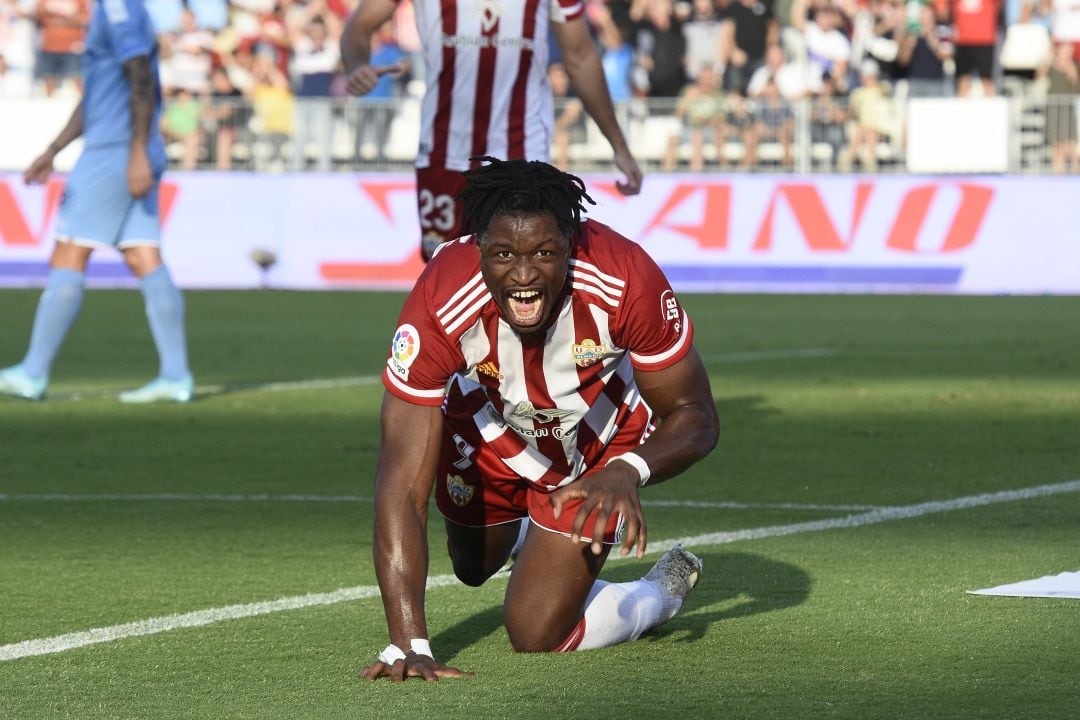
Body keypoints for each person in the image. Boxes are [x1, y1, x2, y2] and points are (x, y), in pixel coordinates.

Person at [359, 157, 719, 682]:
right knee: (473, 566)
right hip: (487, 431)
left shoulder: (625, 275)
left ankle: (657, 593)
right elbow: (399, 482)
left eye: (544, 254)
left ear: (570, 243)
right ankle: (537, 540)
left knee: (536, 633)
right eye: (504, 253)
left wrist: (630, 470)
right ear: (477, 245)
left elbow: (696, 415)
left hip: (598, 447)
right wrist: (406, 643)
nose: (524, 276)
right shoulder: (441, 297)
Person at [341, 0, 643, 261]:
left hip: (522, 158)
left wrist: (619, 145)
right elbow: (360, 24)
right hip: (445, 154)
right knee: (447, 280)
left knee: (525, 276)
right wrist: (356, 65)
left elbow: (580, 56)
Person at [0, 0, 193, 403]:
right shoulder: (122, 8)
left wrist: (136, 148)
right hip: (128, 147)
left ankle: (32, 373)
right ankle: (176, 376)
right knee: (143, 256)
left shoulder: (118, 7)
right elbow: (96, 98)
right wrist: (53, 149)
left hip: (115, 152)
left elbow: (139, 70)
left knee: (69, 252)